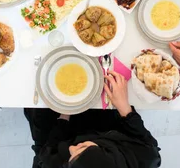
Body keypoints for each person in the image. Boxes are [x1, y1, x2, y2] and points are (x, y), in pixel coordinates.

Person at [25, 71, 161, 168]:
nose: (72, 148)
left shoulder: (60, 159)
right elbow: (145, 140)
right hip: (110, 131)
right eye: (82, 148)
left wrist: (64, 116)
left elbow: (46, 152)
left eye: (72, 158)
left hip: (61, 139)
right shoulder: (145, 158)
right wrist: (124, 107)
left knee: (38, 104)